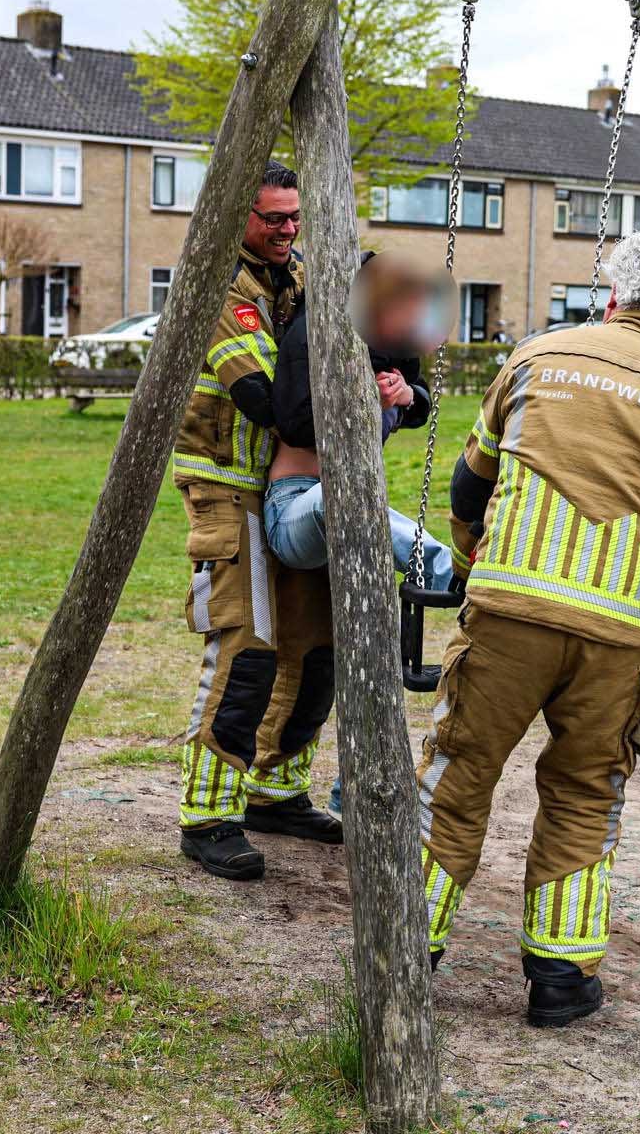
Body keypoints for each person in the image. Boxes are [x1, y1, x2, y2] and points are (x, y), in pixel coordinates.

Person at [419, 232, 640, 1026]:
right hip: (617, 640)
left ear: (611, 295)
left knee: (457, 778)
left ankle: (405, 945)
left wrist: (475, 565)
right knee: (584, 794)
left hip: (507, 617)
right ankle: (562, 979)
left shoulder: (534, 360)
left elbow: (470, 489)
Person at [173, 160, 341, 882]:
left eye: (295, 217)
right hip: (227, 486)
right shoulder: (218, 283)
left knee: (317, 650)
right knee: (248, 650)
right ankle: (207, 815)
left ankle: (276, 790)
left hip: (293, 485)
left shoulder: (302, 279)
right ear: (237, 215)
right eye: (273, 218)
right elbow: (267, 398)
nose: (288, 230)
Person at [264, 250, 453, 588]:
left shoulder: (384, 348)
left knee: (350, 494)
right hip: (294, 506)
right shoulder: (313, 336)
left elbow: (419, 401)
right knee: (337, 493)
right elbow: (295, 426)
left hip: (357, 505)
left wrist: (405, 394)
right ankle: (448, 573)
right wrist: (368, 402)